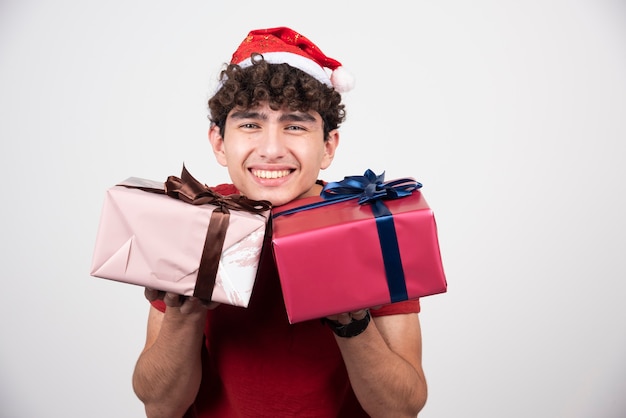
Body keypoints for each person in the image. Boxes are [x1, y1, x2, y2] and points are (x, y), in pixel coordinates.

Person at [132, 27, 427, 418]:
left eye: (295, 125)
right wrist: (185, 319)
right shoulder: (193, 221)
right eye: (250, 125)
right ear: (220, 143)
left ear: (328, 146)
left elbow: (401, 409)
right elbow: (160, 406)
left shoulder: (371, 227)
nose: (271, 150)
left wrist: (351, 322)